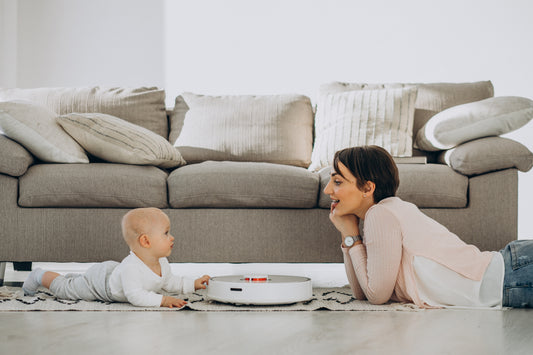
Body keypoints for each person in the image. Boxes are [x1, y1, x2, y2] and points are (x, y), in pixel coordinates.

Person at [324, 145, 533, 309]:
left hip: (514, 274)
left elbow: (376, 295)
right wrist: (348, 235)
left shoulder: (381, 215)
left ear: (368, 188)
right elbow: (362, 292)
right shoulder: (387, 211)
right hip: (513, 273)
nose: (327, 190)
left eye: (338, 182)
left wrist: (352, 236)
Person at [22, 207, 210, 308]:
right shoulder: (132, 268)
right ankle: (39, 275)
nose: (172, 237)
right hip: (100, 286)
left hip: (112, 273)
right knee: (66, 289)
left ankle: (76, 278)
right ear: (145, 241)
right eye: (166, 233)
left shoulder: (161, 261)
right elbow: (135, 296)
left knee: (78, 281)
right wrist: (162, 301)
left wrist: (193, 284)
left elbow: (170, 283)